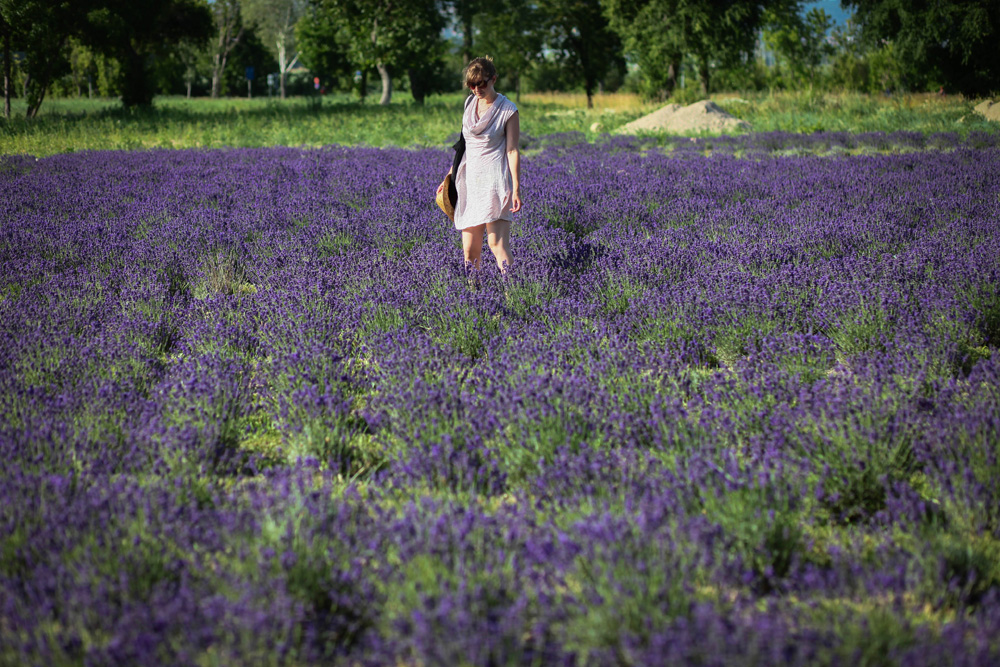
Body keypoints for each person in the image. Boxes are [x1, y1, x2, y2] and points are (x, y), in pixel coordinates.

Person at [437, 56, 521, 276]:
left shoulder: (508, 110)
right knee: (469, 250)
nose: (476, 89)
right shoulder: (469, 104)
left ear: (493, 79)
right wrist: (449, 176)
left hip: (495, 182)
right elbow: (463, 144)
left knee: (497, 246)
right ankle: (474, 299)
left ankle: (515, 295)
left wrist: (516, 188)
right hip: (469, 182)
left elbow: (512, 150)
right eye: (471, 85)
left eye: (481, 83)